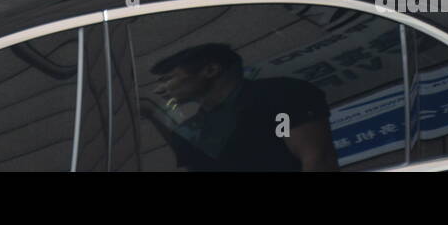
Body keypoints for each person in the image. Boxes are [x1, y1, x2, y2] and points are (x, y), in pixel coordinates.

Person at [144, 43, 337, 171]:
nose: (159, 89)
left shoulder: (279, 93)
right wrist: (153, 115)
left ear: (211, 70)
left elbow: (318, 159)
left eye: (168, 78)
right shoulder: (194, 128)